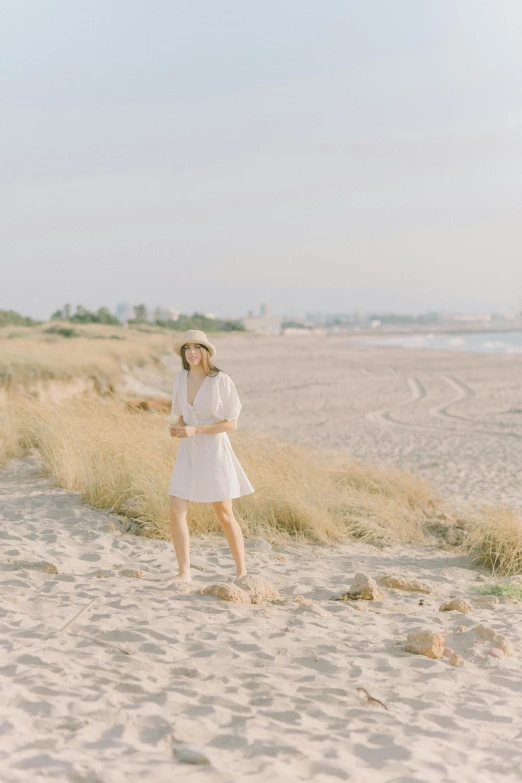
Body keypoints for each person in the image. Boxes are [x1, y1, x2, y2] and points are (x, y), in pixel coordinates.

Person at [167, 329, 254, 584]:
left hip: (214, 451)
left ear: (206, 351)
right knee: (175, 509)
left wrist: (196, 429)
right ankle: (184, 572)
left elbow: (232, 424)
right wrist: (175, 427)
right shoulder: (179, 378)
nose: (191, 352)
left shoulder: (220, 380)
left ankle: (242, 572)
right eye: (187, 348)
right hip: (188, 452)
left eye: (197, 347)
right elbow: (175, 414)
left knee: (224, 513)